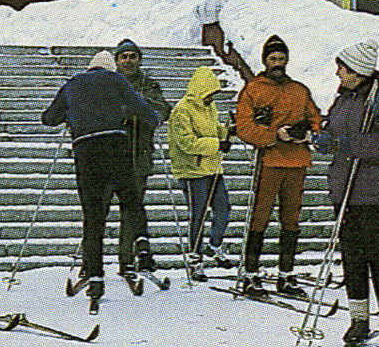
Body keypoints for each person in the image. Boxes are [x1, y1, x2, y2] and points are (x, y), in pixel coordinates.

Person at [42, 50, 162, 301]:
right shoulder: (116, 80)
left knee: (93, 216)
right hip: (115, 148)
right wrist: (155, 119)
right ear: (110, 68)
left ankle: (95, 276)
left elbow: (49, 118)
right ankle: (141, 243)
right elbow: (141, 108)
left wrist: (71, 115)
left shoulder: (72, 84)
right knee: (131, 201)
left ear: (90, 67)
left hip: (86, 152)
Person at [314, 40, 379, 345]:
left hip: (376, 192)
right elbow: (333, 127)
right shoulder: (344, 99)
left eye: (343, 67)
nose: (338, 73)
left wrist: (344, 144)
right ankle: (358, 319)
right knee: (352, 258)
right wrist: (323, 135)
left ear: (358, 71)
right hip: (346, 190)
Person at [233, 34, 323, 297]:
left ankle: (286, 275)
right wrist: (274, 135)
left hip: (296, 161)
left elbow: (315, 117)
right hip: (270, 160)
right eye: (273, 59)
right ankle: (251, 275)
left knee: (291, 220)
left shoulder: (299, 90)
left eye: (282, 59)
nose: (278, 63)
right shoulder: (254, 89)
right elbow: (244, 126)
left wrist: (309, 133)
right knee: (259, 217)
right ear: (264, 61)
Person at [168, 66, 236, 281]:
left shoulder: (209, 107)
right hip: (192, 170)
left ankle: (214, 246)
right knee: (198, 214)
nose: (212, 97)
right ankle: (195, 258)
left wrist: (227, 130)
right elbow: (187, 143)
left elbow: (214, 129)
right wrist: (217, 144)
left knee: (223, 209)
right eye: (210, 93)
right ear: (200, 90)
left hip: (212, 168)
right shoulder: (181, 111)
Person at [113, 39, 172, 271]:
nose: (128, 61)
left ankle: (128, 256)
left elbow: (162, 110)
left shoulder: (150, 84)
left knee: (133, 204)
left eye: (132, 56)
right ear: (117, 61)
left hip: (140, 154)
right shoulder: (109, 83)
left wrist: (141, 108)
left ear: (139, 60)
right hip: (112, 154)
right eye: (123, 57)